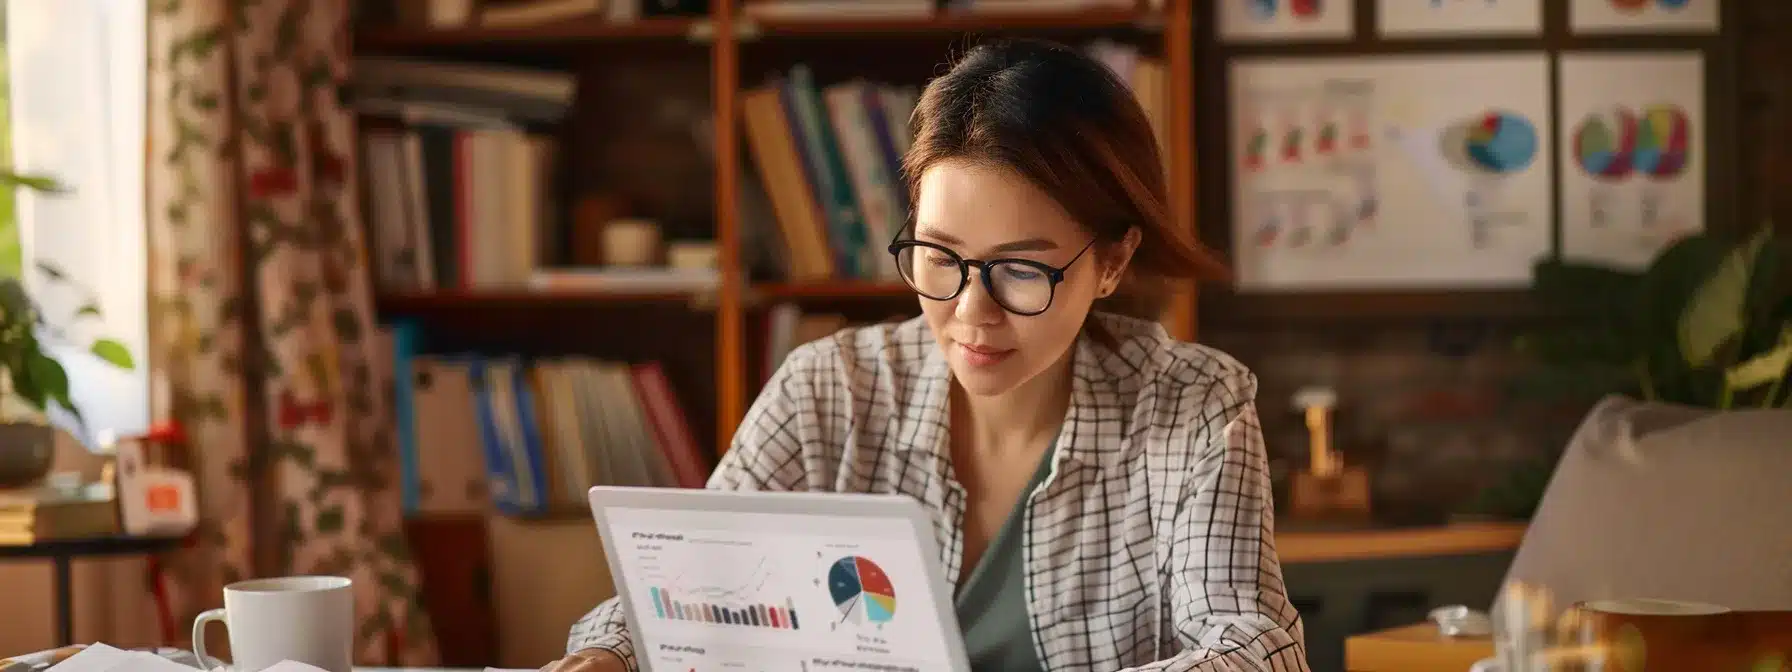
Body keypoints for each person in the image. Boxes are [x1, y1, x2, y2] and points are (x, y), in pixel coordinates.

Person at [544, 38, 1308, 672]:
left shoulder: (1192, 405)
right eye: (940, 257)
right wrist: (613, 656)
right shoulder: (830, 390)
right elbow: (684, 584)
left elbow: (1255, 647)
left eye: (1021, 269)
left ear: (1111, 263)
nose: (971, 313)